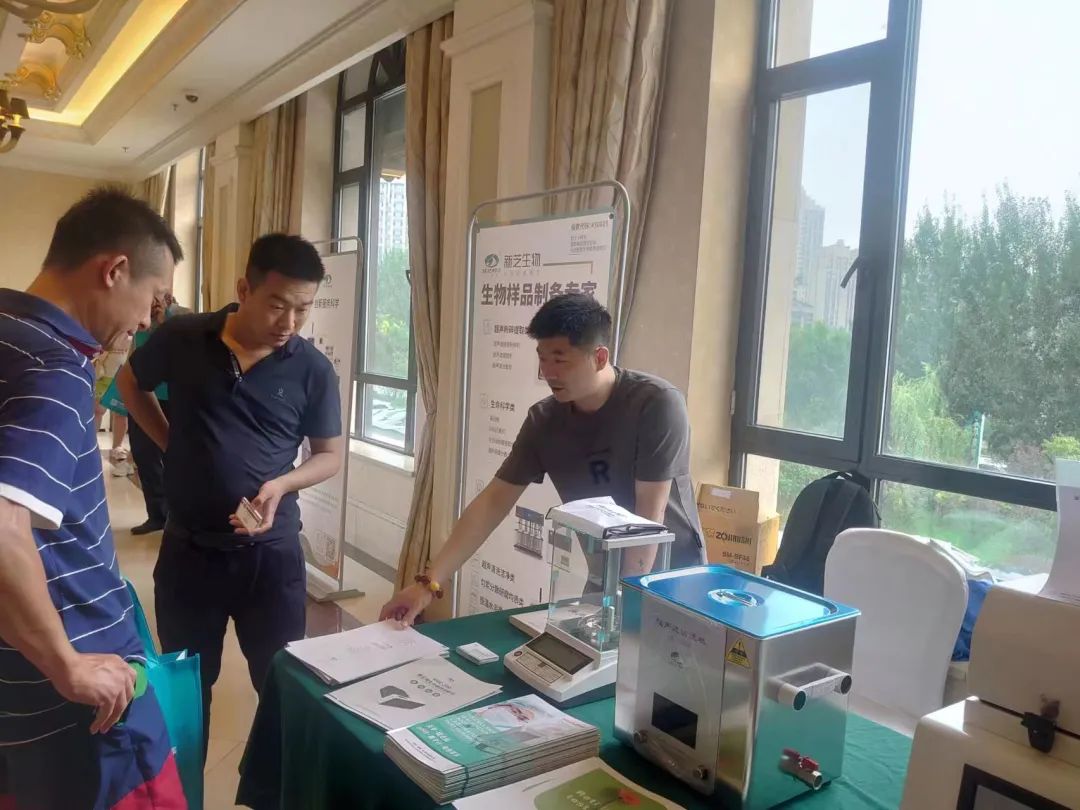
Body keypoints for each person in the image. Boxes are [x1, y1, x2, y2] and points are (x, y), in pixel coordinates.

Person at [117, 233, 343, 750]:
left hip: (271, 559)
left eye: (303, 309)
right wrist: (172, 443)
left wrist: (281, 485)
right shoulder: (184, 337)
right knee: (187, 690)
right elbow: (131, 383)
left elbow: (330, 455)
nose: (289, 323)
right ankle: (186, 786)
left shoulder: (312, 369)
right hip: (190, 552)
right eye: (277, 305)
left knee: (281, 684)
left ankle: (271, 787)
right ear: (244, 289)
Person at [0, 188, 186, 808]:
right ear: (114, 270)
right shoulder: (52, 367)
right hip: (69, 686)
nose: (146, 323)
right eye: (151, 301)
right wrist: (67, 664)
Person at [380, 293, 706, 626]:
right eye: (542, 358)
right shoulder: (545, 421)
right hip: (605, 579)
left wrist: (625, 607)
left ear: (599, 357)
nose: (547, 372)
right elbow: (492, 502)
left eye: (560, 360)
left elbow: (648, 516)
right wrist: (428, 583)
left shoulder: (656, 404)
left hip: (672, 580)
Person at [127, 292, 189, 535]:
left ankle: (180, 515)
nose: (152, 302)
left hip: (175, 396)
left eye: (156, 296)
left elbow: (189, 349)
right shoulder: (138, 316)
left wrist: (165, 320)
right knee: (144, 455)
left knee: (177, 456)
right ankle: (157, 514)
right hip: (143, 395)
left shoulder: (184, 315)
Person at [92, 333, 132, 476]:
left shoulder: (134, 329)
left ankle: (117, 446)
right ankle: (92, 444)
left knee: (121, 412)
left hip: (123, 369)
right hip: (104, 371)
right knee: (98, 410)